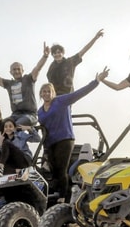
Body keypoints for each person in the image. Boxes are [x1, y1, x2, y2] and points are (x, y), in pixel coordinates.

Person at [38, 67, 109, 204]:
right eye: (44, 91)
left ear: (53, 93)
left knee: (61, 168)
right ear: (41, 94)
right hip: (50, 143)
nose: (47, 93)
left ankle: (63, 197)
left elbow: (79, 93)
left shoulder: (61, 101)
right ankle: (54, 194)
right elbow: (42, 129)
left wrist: (96, 81)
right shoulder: (40, 111)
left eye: (49, 91)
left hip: (64, 139)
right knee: (50, 169)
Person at [46, 28, 105, 95]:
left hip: (68, 95)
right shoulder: (51, 67)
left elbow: (83, 51)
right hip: (55, 97)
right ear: (52, 55)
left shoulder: (69, 62)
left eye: (59, 52)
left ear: (63, 53)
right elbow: (49, 84)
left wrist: (95, 38)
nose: (57, 54)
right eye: (55, 53)